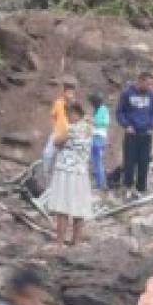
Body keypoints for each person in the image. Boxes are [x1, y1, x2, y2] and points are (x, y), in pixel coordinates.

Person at [48, 102, 95, 246]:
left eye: (69, 114)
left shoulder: (72, 129)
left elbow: (57, 142)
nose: (67, 118)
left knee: (62, 207)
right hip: (81, 172)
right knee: (79, 207)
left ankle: (59, 242)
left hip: (66, 172)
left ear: (76, 113)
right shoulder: (89, 129)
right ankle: (76, 241)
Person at [116, 72, 153, 195]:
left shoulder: (152, 95)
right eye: (148, 84)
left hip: (146, 134)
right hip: (131, 133)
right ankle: (128, 187)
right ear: (140, 81)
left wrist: (152, 126)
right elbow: (120, 112)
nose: (150, 86)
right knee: (129, 161)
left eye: (151, 84)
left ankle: (141, 189)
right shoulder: (127, 93)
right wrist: (126, 125)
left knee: (144, 162)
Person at [42, 78, 77, 178]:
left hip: (70, 136)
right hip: (57, 133)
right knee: (47, 154)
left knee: (64, 160)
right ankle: (46, 178)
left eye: (71, 92)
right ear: (64, 92)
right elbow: (53, 116)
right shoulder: (58, 102)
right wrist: (55, 128)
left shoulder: (75, 105)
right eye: (68, 92)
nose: (69, 94)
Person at [89, 92, 111, 191]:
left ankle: (101, 184)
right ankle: (99, 182)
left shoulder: (103, 109)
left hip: (99, 136)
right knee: (95, 160)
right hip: (95, 136)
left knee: (98, 160)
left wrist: (93, 121)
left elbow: (105, 123)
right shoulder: (97, 109)